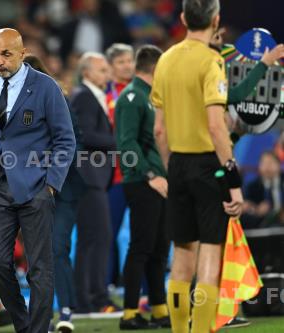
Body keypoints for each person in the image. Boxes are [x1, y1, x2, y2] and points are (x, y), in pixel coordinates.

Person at [0, 28, 75, 333]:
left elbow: (65, 140)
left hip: (34, 188)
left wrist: (51, 184)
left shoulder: (45, 87)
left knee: (39, 269)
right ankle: (25, 324)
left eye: (5, 54)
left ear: (22, 52)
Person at [151, 1, 244, 332]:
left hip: (176, 165)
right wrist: (232, 180)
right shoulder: (212, 61)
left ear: (182, 19)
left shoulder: (165, 60)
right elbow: (218, 128)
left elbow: (158, 130)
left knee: (181, 259)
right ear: (216, 20)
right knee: (209, 257)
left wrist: (169, 168)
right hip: (208, 167)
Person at [24, 54, 83, 333]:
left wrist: (51, 175)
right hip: (30, 192)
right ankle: (43, 318)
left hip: (62, 190)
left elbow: (73, 143)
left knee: (57, 249)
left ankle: (66, 312)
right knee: (39, 255)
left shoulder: (60, 102)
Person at [115, 45, 170, 330]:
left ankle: (160, 310)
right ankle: (129, 314)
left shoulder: (149, 97)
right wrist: (150, 174)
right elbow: (126, 145)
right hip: (142, 181)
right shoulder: (132, 97)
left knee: (159, 248)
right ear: (155, 68)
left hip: (157, 181)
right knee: (140, 248)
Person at [70, 52, 119, 315]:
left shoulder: (88, 97)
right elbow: (85, 134)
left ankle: (88, 298)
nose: (107, 74)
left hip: (91, 177)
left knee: (93, 238)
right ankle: (94, 298)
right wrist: (119, 141)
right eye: (102, 70)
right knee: (97, 237)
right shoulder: (84, 97)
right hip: (88, 176)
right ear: (87, 72)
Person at [104, 43, 134, 288]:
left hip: (139, 174)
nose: (127, 65)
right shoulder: (105, 95)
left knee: (141, 233)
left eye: (130, 60)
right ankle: (107, 284)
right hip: (113, 175)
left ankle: (142, 286)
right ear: (111, 67)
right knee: (109, 233)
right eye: (121, 62)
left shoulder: (142, 90)